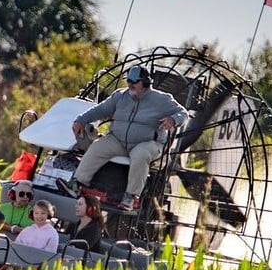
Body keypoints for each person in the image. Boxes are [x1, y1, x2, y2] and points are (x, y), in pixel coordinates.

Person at [62, 65, 187, 211]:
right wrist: (81, 120)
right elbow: (101, 110)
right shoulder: (120, 96)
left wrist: (173, 120)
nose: (130, 85)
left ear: (145, 82)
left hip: (148, 143)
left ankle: (131, 197)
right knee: (97, 146)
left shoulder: (162, 99)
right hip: (118, 140)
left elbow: (183, 113)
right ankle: (77, 183)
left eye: (134, 82)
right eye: (128, 81)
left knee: (141, 154)